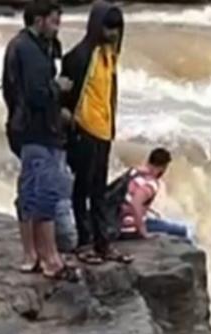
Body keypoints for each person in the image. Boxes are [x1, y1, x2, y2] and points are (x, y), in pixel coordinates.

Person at [4, 0, 77, 281]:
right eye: (54, 22)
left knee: (30, 188)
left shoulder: (25, 45)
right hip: (38, 129)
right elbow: (36, 94)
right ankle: (49, 258)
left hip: (24, 127)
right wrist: (57, 88)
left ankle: (30, 255)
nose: (57, 28)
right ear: (39, 20)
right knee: (44, 191)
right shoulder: (30, 50)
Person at [61, 1, 129, 265]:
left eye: (116, 28)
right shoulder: (80, 56)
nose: (112, 33)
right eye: (108, 27)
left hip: (103, 131)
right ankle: (84, 242)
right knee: (82, 187)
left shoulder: (109, 56)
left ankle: (103, 243)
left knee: (99, 189)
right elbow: (66, 94)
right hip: (84, 130)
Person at [115, 147, 194, 243]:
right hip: (129, 226)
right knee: (185, 230)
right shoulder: (150, 184)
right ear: (163, 167)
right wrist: (142, 231)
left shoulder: (134, 172)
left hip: (117, 220)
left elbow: (128, 197)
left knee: (174, 222)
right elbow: (135, 203)